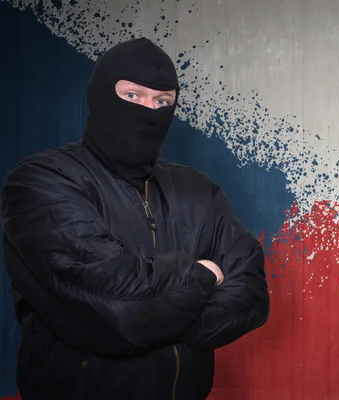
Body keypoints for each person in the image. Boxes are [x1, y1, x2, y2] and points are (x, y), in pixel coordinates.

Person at [1, 37, 270, 400]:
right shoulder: (42, 181)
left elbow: (250, 294)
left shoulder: (198, 190)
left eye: (162, 102)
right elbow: (110, 306)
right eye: (132, 96)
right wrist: (204, 275)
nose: (149, 110)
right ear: (99, 96)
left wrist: (162, 318)